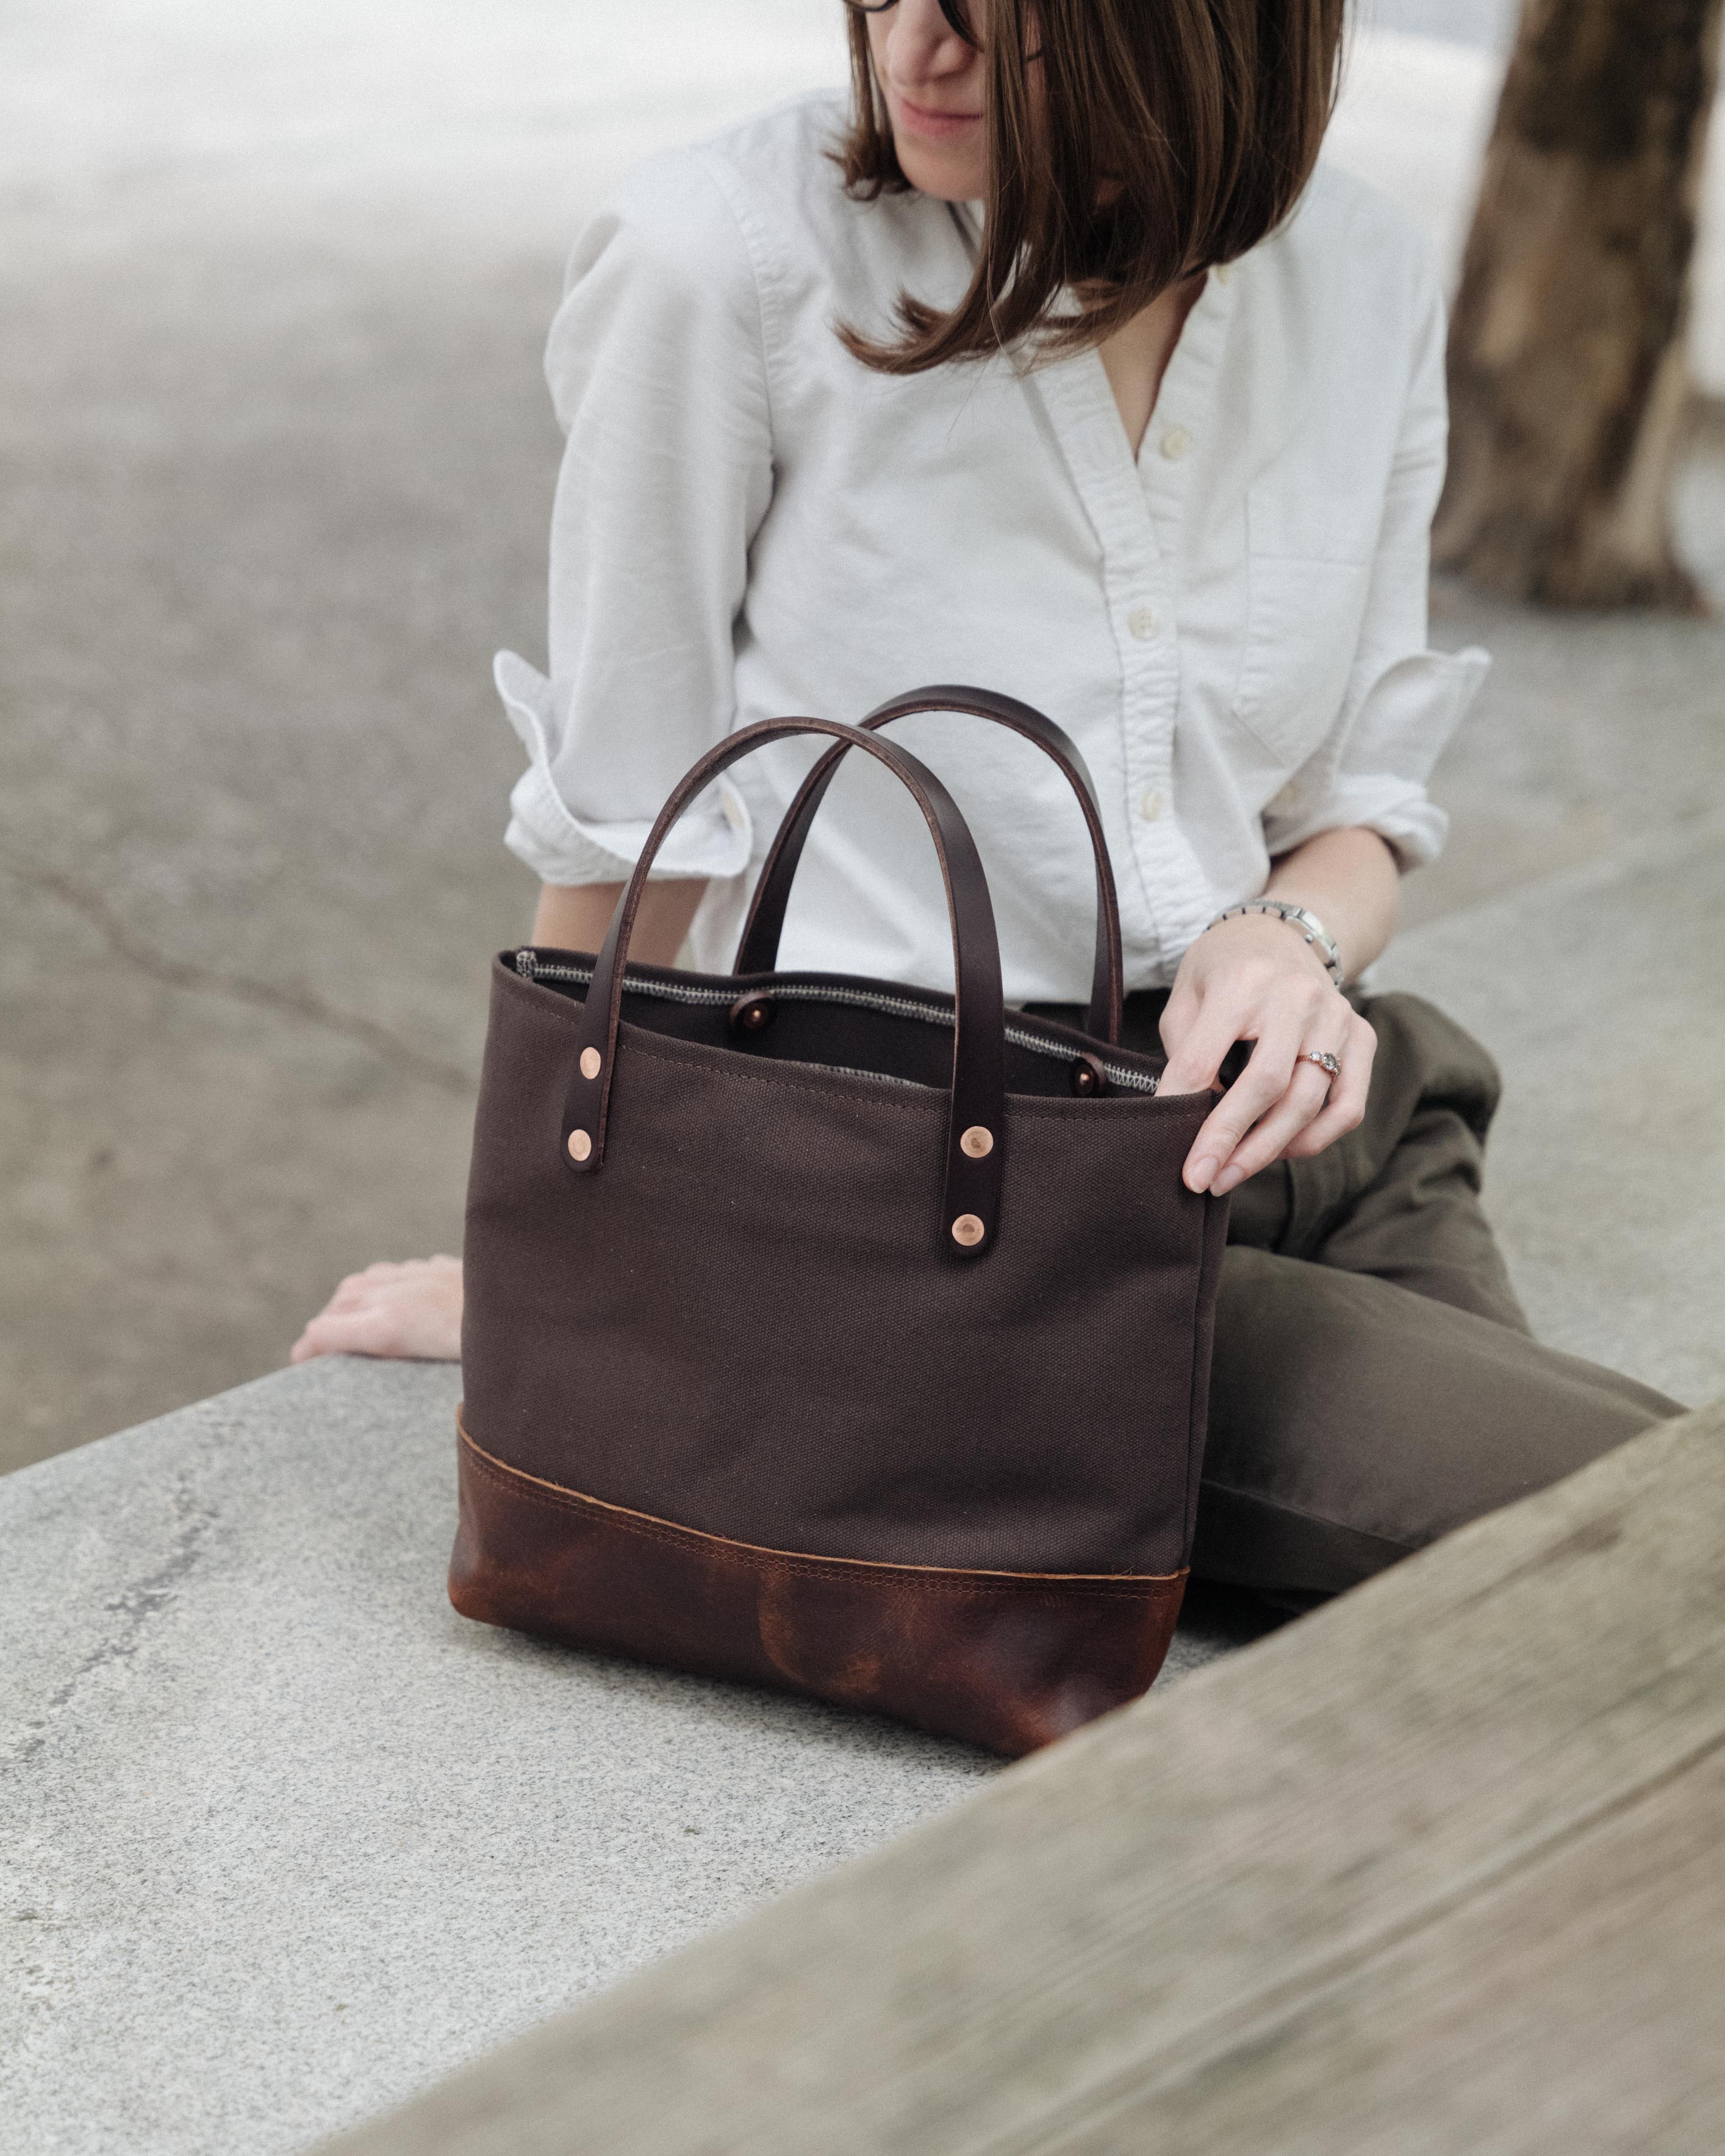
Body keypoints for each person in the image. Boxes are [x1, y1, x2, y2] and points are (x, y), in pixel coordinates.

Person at [292, 0, 1679, 1606]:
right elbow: (628, 827)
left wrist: (1279, 933)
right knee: (1631, 1538)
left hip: (1316, 1127)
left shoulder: (1353, 274)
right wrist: (562, 1267)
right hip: (955, 1210)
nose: (913, 61)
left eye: (1004, 24)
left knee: (1557, 1614)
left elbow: (1355, 814)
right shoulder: (723, 261)